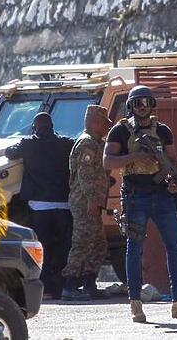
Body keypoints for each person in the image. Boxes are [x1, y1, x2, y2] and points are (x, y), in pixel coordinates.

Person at [103, 85, 177, 322]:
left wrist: (174, 180)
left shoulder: (163, 131)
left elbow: (172, 160)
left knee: (175, 247)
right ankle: (135, 303)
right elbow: (107, 161)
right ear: (130, 106)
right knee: (134, 250)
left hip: (161, 194)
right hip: (135, 196)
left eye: (146, 102)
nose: (143, 107)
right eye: (138, 103)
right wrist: (136, 156)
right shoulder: (121, 131)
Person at [5, 112, 74, 299]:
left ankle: (45, 288)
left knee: (43, 247)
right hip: (63, 204)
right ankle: (61, 287)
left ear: (35, 127)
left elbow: (9, 152)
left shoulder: (28, 144)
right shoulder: (66, 143)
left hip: (39, 206)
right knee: (63, 247)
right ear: (52, 126)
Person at [61, 105, 113, 301]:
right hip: (84, 202)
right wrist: (92, 199)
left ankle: (89, 283)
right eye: (104, 123)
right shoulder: (87, 143)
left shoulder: (96, 143)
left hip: (93, 201)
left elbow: (97, 173)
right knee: (81, 243)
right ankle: (70, 285)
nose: (107, 127)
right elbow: (84, 176)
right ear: (93, 122)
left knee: (98, 244)